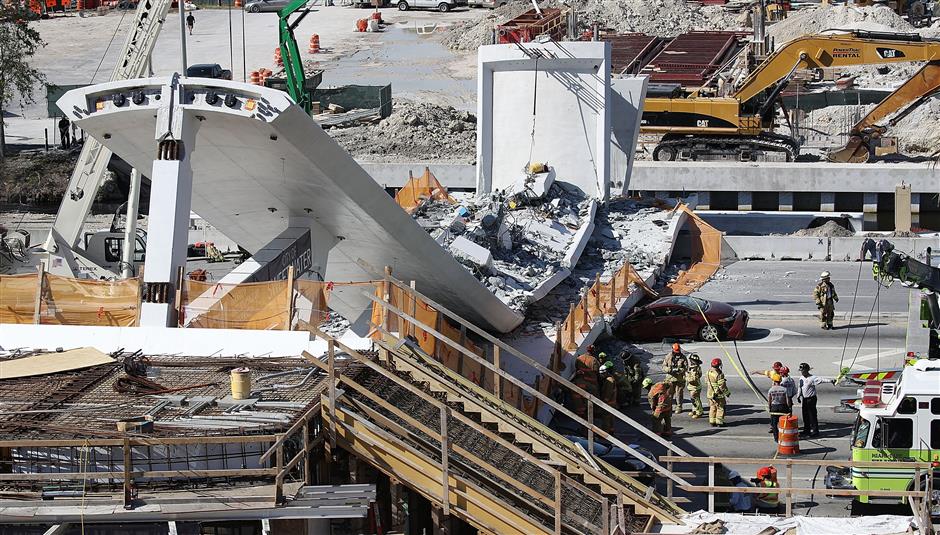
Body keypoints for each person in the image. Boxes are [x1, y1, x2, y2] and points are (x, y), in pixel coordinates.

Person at [797, 362, 835, 437]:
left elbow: (821, 380)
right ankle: (806, 430)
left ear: (807, 370)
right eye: (801, 371)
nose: (802, 372)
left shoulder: (812, 378)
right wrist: (798, 396)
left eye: (803, 370)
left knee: (812, 415)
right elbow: (800, 387)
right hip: (804, 399)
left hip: (811, 399)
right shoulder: (801, 378)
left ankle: (815, 431)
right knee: (805, 415)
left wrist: (830, 381)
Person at [569, 346, 600, 419]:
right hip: (591, 384)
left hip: (580, 381)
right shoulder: (594, 360)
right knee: (593, 400)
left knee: (580, 400)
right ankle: (594, 414)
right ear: (593, 351)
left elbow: (576, 368)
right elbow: (597, 372)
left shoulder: (579, 358)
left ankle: (582, 415)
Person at [663, 343, 688, 413]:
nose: (677, 353)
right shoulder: (668, 356)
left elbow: (686, 367)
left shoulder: (683, 357)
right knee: (669, 394)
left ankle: (679, 407)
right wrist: (669, 370)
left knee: (679, 394)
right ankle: (669, 407)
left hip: (679, 379)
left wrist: (680, 370)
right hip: (670, 379)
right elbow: (663, 366)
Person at [767, 373, 791, 442]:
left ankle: (776, 438)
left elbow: (769, 400)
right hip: (783, 407)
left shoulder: (771, 390)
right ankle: (785, 436)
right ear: (780, 381)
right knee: (784, 423)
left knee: (774, 424)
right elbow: (787, 400)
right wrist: (789, 408)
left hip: (774, 407)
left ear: (774, 381)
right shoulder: (784, 389)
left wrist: (769, 408)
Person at [706, 358, 731, 427]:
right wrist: (727, 393)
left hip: (710, 394)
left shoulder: (708, 372)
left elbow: (706, 382)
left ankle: (712, 421)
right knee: (720, 408)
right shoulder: (719, 374)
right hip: (718, 395)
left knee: (712, 407)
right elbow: (722, 386)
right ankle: (719, 422)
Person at [599, 361, 617, 433]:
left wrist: (604, 401)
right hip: (612, 402)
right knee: (610, 418)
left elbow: (608, 393)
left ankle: (605, 433)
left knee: (606, 418)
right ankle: (611, 431)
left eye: (601, 374)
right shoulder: (610, 378)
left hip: (609, 402)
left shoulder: (609, 380)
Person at [685, 353, 704, 419]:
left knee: (696, 400)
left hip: (695, 387)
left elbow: (693, 379)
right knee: (693, 399)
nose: (690, 361)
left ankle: (699, 412)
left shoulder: (695, 369)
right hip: (692, 387)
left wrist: (686, 376)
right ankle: (695, 410)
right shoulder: (693, 368)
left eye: (691, 360)